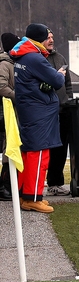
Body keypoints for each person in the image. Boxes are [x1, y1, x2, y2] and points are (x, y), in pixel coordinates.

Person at [9, 24, 66, 213]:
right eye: (46, 37)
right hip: (39, 113)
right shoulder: (34, 58)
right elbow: (57, 81)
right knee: (39, 155)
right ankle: (33, 197)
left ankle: (25, 196)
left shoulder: (22, 55)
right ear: (40, 39)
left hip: (30, 111)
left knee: (28, 154)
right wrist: (59, 74)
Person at [42, 28, 74, 197]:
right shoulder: (38, 59)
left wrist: (68, 99)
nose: (51, 40)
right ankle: (39, 183)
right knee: (45, 149)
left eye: (52, 37)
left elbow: (67, 83)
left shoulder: (60, 57)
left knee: (61, 148)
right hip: (46, 111)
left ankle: (55, 183)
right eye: (47, 38)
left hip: (63, 110)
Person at [0, 32, 17, 201]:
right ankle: (5, 185)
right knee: (8, 148)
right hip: (7, 111)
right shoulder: (5, 64)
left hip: (11, 110)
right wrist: (17, 96)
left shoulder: (11, 63)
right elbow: (2, 87)